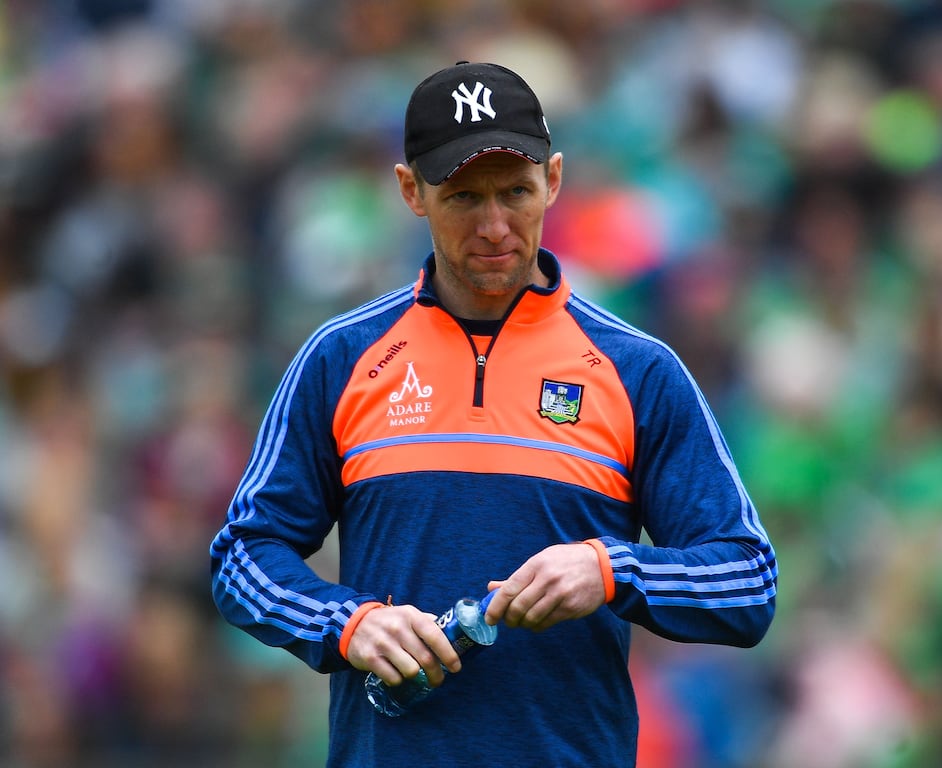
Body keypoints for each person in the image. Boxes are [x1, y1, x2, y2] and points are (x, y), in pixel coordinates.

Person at [210, 60, 777, 767]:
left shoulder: (639, 371)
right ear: (410, 191)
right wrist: (348, 624)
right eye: (463, 198)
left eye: (517, 192)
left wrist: (611, 570)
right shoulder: (342, 357)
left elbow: (749, 583)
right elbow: (241, 556)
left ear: (556, 180)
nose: (494, 226)